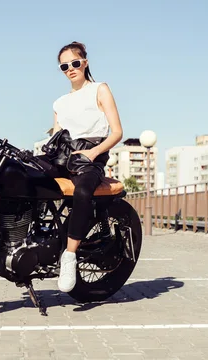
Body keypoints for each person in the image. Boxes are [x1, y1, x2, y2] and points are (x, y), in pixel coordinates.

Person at [36, 41, 123, 293]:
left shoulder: (100, 89)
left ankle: (70, 256)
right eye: (64, 66)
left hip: (92, 155)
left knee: (83, 192)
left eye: (75, 63)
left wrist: (93, 153)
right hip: (64, 155)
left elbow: (117, 132)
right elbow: (57, 135)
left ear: (85, 62)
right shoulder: (59, 102)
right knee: (24, 174)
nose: (70, 69)